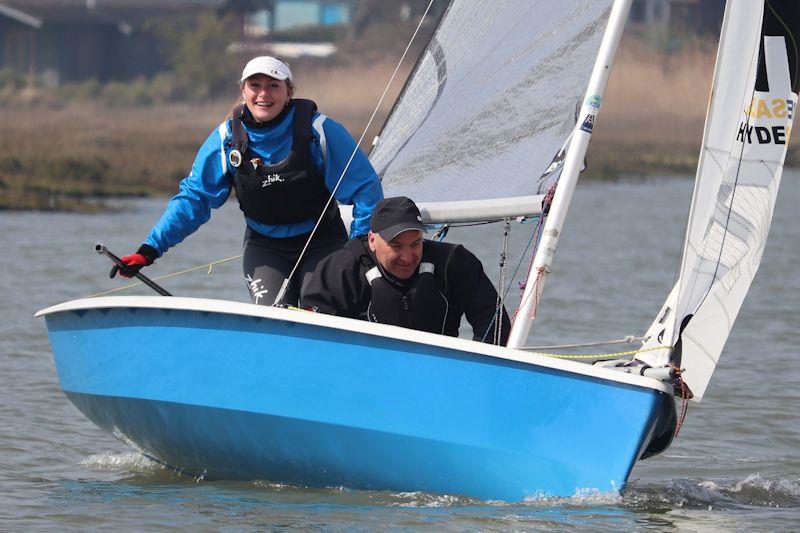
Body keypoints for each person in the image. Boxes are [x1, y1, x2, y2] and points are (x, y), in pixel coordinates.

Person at [110, 56, 383, 306]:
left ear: (289, 92)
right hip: (265, 247)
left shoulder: (320, 131)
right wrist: (149, 250)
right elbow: (194, 199)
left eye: (273, 86)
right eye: (255, 85)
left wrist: (359, 248)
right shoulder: (226, 139)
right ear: (243, 91)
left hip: (323, 243)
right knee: (273, 316)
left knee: (319, 310)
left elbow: (365, 189)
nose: (263, 94)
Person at [301, 196, 512, 344]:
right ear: (372, 240)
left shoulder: (454, 263)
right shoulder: (343, 268)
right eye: (396, 246)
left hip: (438, 373)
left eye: (415, 244)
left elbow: (493, 320)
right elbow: (314, 334)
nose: (407, 257)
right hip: (365, 374)